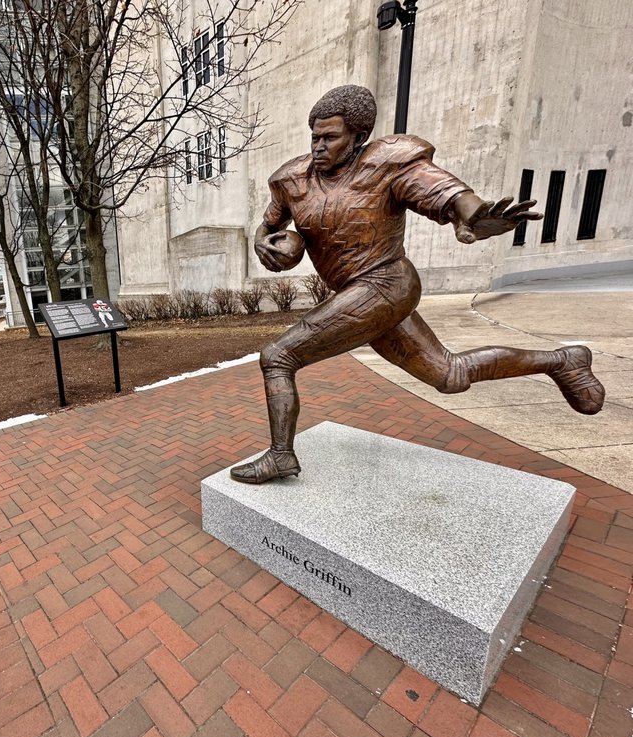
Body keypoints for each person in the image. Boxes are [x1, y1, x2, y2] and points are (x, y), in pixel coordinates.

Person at [230, 85, 605, 484]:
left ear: (358, 138)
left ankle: (281, 456)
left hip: (386, 283)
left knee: (279, 357)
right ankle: (563, 361)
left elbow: (445, 193)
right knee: (449, 375)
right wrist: (265, 244)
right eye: (315, 137)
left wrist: (474, 217)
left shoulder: (387, 164)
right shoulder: (292, 180)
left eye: (330, 137)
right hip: (358, 296)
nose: (319, 146)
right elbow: (269, 225)